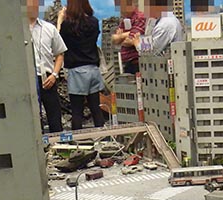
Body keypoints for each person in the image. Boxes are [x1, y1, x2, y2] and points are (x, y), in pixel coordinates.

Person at [57, 0, 106, 130]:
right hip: (93, 70)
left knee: (77, 111)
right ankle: (104, 137)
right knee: (96, 109)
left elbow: (58, 42)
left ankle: (78, 140)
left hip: (77, 72)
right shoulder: (94, 22)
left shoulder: (68, 25)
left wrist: (60, 20)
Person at [27, 0, 66, 133]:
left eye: (36, 4)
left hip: (48, 78)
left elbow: (60, 54)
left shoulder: (49, 28)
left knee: (54, 115)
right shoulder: (17, 30)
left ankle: (58, 142)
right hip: (26, 79)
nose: (34, 7)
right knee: (32, 117)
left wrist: (54, 74)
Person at [112, 0, 146, 74]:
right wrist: (126, 35)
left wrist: (120, 36)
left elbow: (130, 40)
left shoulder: (139, 18)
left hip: (136, 62)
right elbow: (114, 39)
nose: (120, 10)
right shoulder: (125, 20)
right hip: (128, 63)